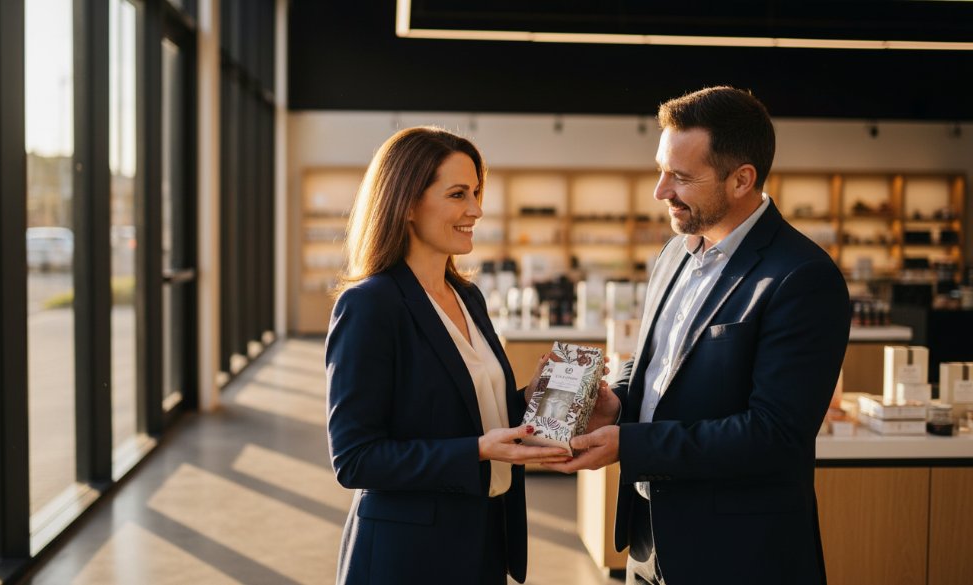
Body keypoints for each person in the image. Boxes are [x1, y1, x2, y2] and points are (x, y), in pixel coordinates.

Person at [547, 87, 851, 585]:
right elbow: (659, 366)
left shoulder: (800, 277)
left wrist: (630, 443)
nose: (660, 190)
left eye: (682, 177)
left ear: (741, 180)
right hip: (650, 542)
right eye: (661, 170)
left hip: (740, 554)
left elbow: (773, 436)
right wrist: (618, 404)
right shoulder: (673, 256)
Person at [325, 126, 574, 585]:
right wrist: (477, 451)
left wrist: (534, 399)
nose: (476, 210)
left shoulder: (467, 296)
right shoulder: (371, 305)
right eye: (458, 194)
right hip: (408, 558)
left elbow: (469, 411)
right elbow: (356, 459)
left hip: (482, 540)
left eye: (477, 192)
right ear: (407, 203)